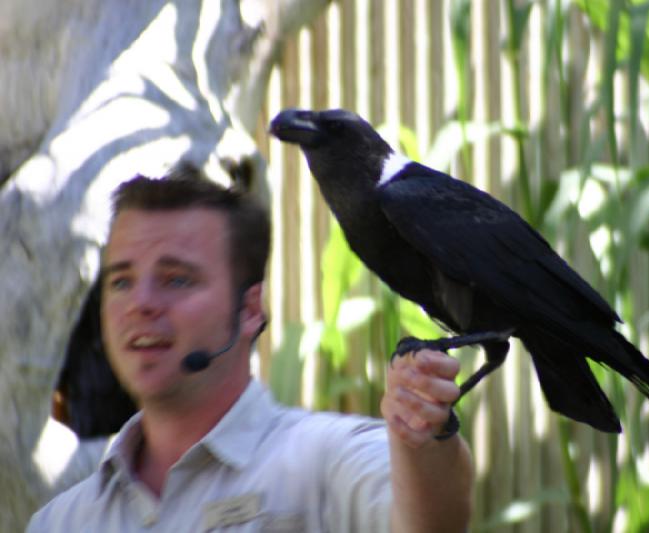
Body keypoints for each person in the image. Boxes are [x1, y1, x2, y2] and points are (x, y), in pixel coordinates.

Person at [27, 166, 473, 532]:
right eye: (121, 281)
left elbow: (426, 522)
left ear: (249, 310)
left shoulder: (328, 460)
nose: (140, 304)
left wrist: (420, 438)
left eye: (176, 279)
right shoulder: (59, 522)